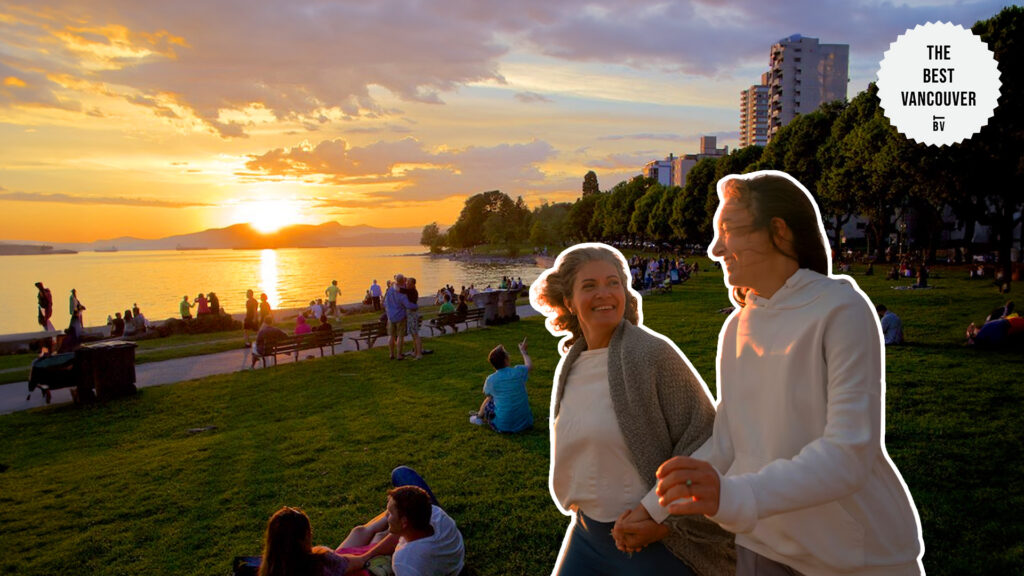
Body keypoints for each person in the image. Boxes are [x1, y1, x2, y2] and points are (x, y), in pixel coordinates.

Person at [656, 171, 924, 576]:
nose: (714, 248)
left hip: (852, 560)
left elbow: (847, 453)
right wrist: (652, 508)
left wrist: (735, 495)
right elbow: (729, 444)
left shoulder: (840, 309)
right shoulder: (736, 327)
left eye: (728, 230)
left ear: (778, 232)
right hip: (761, 548)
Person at [530, 243, 734, 576]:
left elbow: (706, 440)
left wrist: (659, 517)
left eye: (613, 283)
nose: (604, 293)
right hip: (586, 533)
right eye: (590, 285)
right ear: (568, 301)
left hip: (651, 537)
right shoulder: (573, 362)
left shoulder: (652, 355)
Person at [258, 506, 349, 576]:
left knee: (358, 532)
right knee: (359, 532)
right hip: (340, 563)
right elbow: (357, 562)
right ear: (304, 538)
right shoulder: (320, 563)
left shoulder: (270, 569)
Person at [470, 338, 533, 433]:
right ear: (506, 360)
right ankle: (479, 416)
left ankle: (478, 417)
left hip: (503, 426)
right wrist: (523, 351)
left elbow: (487, 394)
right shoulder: (518, 371)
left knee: (490, 399)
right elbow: (529, 365)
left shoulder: (491, 379)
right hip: (526, 423)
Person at [384, 274, 412, 360]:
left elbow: (385, 303)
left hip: (391, 316)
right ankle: (399, 354)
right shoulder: (402, 292)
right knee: (400, 336)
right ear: (403, 281)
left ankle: (391, 354)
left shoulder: (390, 290)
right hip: (400, 315)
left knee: (391, 335)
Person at [404, 277, 423, 360]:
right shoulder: (412, 291)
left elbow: (399, 289)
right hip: (411, 315)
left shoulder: (411, 291)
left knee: (415, 335)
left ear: (412, 284)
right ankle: (415, 352)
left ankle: (419, 354)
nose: (406, 284)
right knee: (413, 334)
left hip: (412, 315)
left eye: (408, 283)